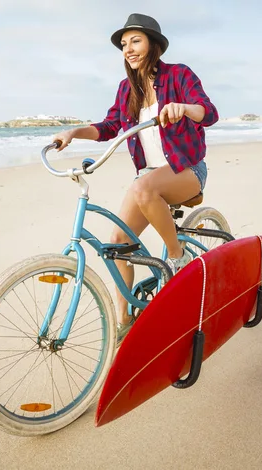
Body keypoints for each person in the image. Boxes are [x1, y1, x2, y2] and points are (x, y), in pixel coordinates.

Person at [53, 13, 219, 342]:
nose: (128, 49)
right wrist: (74, 132)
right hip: (149, 177)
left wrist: (183, 108)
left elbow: (207, 112)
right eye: (124, 44)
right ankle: (124, 322)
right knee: (116, 246)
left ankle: (176, 256)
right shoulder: (126, 90)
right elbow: (108, 127)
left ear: (153, 44)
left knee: (141, 187)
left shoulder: (178, 75)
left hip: (186, 169)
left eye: (136, 41)